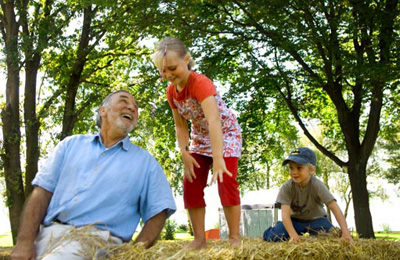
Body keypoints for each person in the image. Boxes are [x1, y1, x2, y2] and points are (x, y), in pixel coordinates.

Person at [10, 90, 177, 260]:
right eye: (124, 101)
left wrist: (131, 255)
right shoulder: (69, 145)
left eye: (136, 107)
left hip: (97, 243)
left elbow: (158, 213)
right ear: (103, 110)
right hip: (48, 235)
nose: (132, 108)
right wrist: (24, 242)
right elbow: (41, 193)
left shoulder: (146, 163)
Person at [151, 37, 242, 248]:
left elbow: (214, 120)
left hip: (224, 133)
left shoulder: (200, 83)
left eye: (172, 68)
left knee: (225, 181)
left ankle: (235, 238)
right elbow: (181, 126)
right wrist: (184, 153)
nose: (168, 75)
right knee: (190, 183)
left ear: (187, 59)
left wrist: (218, 158)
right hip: (200, 138)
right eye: (163, 71)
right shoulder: (171, 92)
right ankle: (200, 239)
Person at [263, 147, 353, 243]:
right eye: (291, 168)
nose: (294, 172)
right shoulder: (287, 187)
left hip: (317, 220)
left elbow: (333, 206)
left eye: (299, 168)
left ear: (312, 170)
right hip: (294, 221)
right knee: (275, 236)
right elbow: (285, 215)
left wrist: (345, 231)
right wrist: (293, 235)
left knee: (331, 236)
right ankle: (269, 232)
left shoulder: (317, 185)